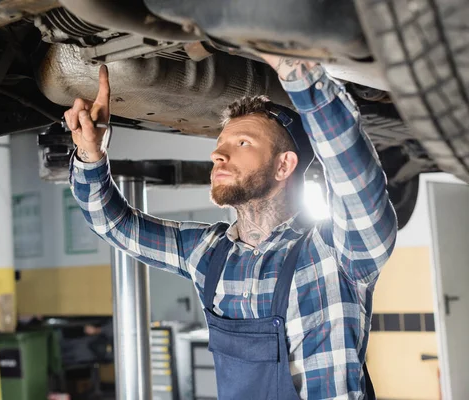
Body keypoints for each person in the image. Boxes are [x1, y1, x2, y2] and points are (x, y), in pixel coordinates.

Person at [64, 55, 398, 399]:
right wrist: (91, 155)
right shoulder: (208, 254)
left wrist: (299, 72)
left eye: (242, 144)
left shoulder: (336, 253)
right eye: (219, 146)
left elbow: (356, 179)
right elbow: (114, 224)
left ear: (284, 165)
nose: (218, 155)